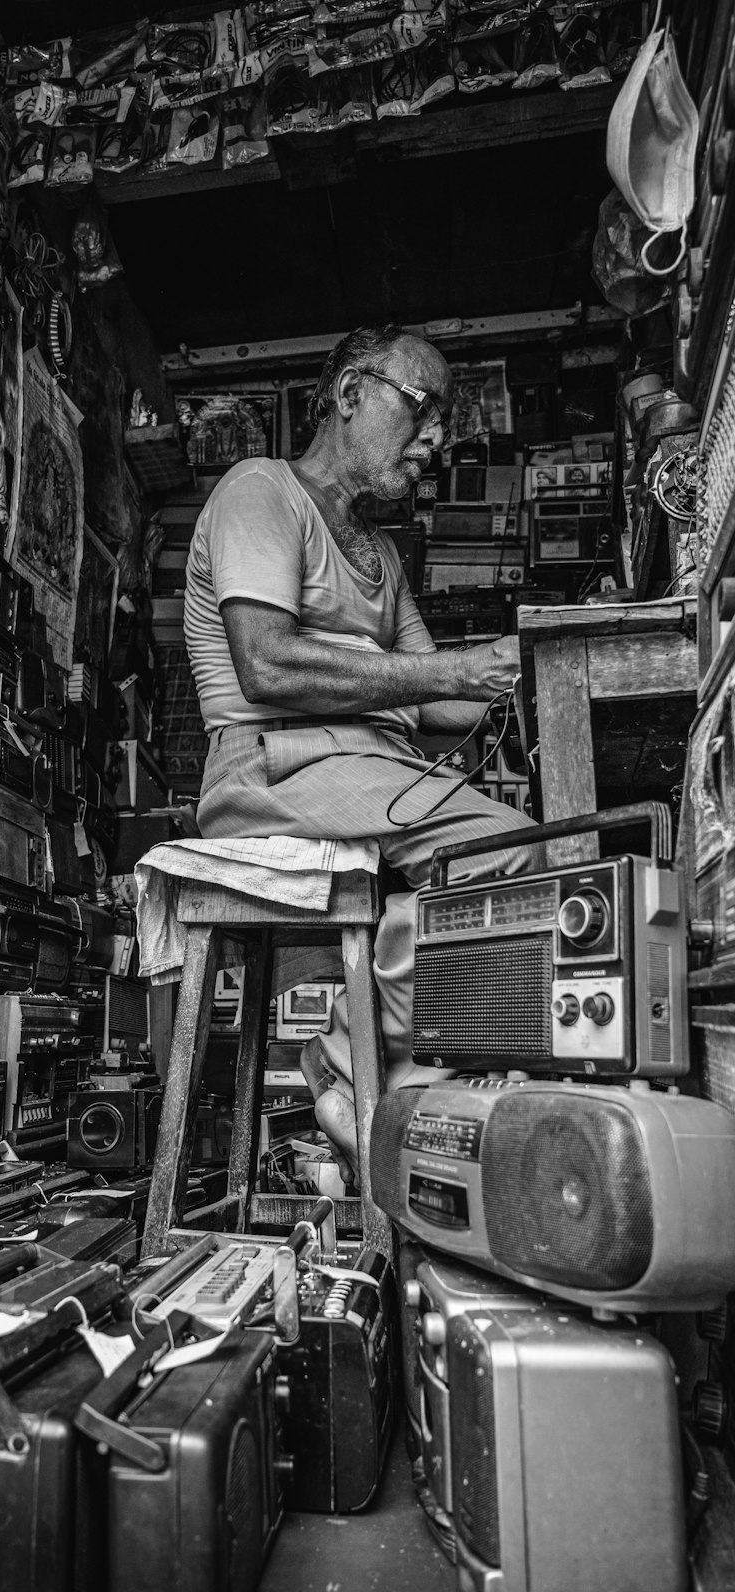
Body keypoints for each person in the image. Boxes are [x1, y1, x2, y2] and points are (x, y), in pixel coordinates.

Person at [183, 322, 543, 1181]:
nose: (434, 441)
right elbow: (265, 660)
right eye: (422, 410)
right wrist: (454, 665)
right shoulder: (261, 491)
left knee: (517, 843)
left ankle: (361, 1064)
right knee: (511, 848)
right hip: (271, 764)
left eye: (443, 425)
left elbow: (438, 697)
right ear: (350, 393)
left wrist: (523, 666)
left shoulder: (379, 556)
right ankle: (350, 1067)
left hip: (365, 770)